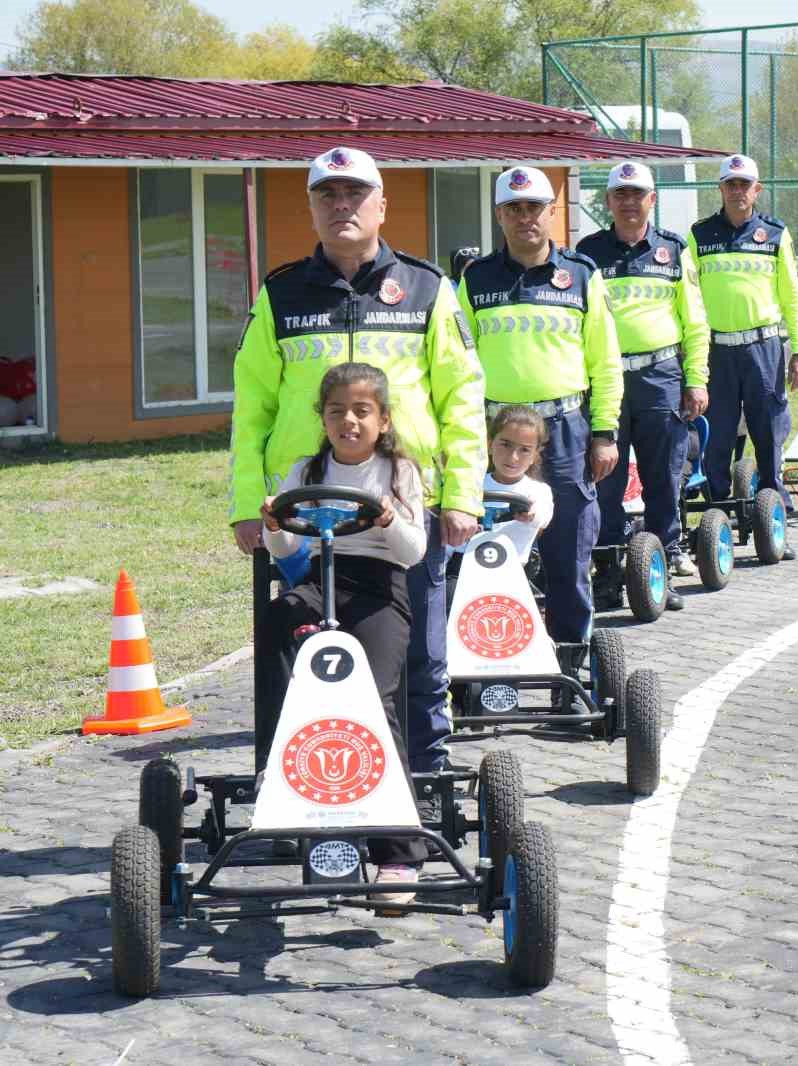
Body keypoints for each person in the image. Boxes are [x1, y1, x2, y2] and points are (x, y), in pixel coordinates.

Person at [230, 146, 486, 782]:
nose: (341, 206)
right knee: (292, 652)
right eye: (328, 196)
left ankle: (420, 791)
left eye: (354, 195)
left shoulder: (428, 288)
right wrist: (244, 507)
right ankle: (288, 790)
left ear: (381, 206)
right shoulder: (281, 293)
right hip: (302, 509)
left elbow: (463, 396)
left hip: (406, 507)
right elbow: (251, 409)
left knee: (418, 660)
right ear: (313, 207)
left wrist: (463, 496)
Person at [260, 362, 428, 901]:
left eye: (361, 412)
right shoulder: (305, 471)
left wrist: (387, 520)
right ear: (323, 419)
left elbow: (414, 553)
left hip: (380, 589)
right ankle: (277, 764)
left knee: (373, 701)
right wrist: (274, 527)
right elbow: (286, 550)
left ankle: (398, 856)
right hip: (318, 579)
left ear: (382, 420)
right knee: (280, 616)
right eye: (337, 412)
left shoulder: (398, 472)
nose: (348, 421)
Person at [458, 165, 623, 642]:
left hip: (567, 432)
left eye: (534, 208)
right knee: (488, 549)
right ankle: (491, 655)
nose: (524, 217)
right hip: (499, 436)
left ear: (552, 212)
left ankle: (571, 662)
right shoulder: (475, 281)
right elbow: (458, 366)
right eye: (513, 209)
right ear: (499, 215)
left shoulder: (581, 274)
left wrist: (605, 432)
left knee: (568, 554)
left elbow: (606, 362)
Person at [577, 162, 709, 611]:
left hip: (661, 379)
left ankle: (659, 569)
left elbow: (695, 323)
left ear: (652, 199)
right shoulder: (587, 253)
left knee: (663, 478)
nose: (629, 202)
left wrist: (696, 379)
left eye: (638, 194)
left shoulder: (673, 251)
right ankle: (611, 572)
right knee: (606, 481)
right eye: (621, 195)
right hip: (608, 381)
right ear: (608, 201)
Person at [686, 154, 798, 552]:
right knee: (716, 440)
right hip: (717, 351)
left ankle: (773, 527)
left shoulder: (775, 233)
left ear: (757, 189)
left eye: (745, 184)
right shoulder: (698, 235)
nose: (737, 191)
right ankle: (719, 527)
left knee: (768, 436)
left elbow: (791, 296)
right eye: (730, 184)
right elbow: (689, 298)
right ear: (720, 189)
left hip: (764, 349)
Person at [445, 404, 555, 609]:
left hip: (511, 572)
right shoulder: (468, 485)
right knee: (447, 604)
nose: (513, 457)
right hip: (462, 569)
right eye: (505, 444)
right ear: (489, 444)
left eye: (524, 450)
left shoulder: (538, 492)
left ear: (534, 456)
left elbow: (542, 516)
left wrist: (531, 513)